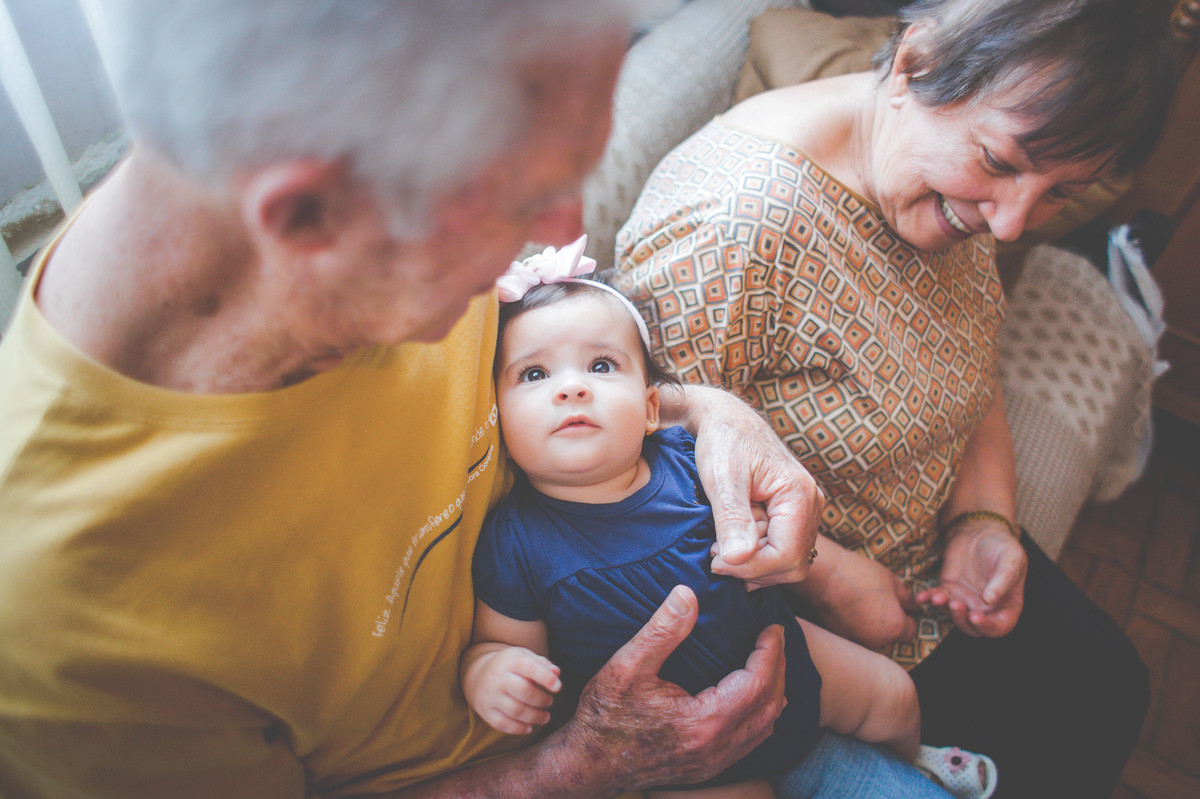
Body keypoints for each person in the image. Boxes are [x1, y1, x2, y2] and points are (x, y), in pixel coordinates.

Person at [0, 1, 958, 798]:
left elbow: (592, 364)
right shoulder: (60, 622)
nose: (560, 237)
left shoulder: (377, 230)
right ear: (305, 217)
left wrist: (714, 414)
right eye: (524, 196)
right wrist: (572, 768)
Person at [610, 0, 1179, 796]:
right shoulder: (738, 223)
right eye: (1002, 163)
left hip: (927, 572)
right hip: (806, 618)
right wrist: (828, 573)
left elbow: (969, 355)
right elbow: (640, 483)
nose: (1012, 224)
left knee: (1110, 686)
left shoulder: (931, 177)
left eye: (1060, 192)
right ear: (914, 62)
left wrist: (985, 518)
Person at [461, 242, 998, 799]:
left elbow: (759, 522)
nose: (571, 386)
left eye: (601, 365)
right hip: (683, 751)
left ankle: (919, 763)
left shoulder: (691, 459)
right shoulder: (514, 540)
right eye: (533, 374)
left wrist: (763, 534)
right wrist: (492, 672)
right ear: (496, 416)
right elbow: (499, 642)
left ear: (650, 408)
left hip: (783, 650)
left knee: (893, 695)